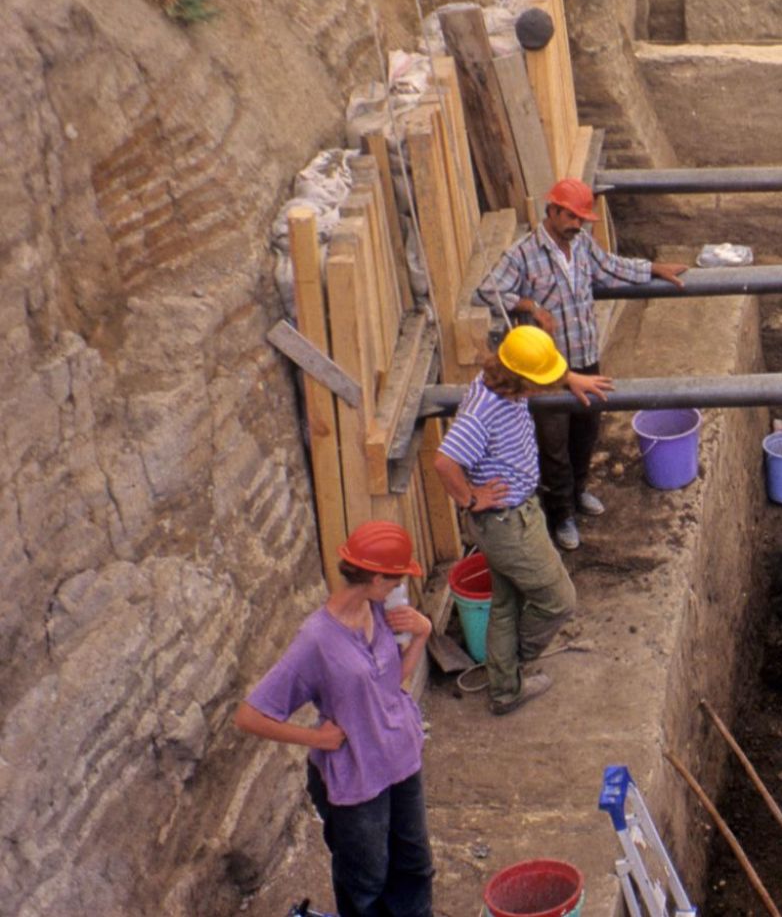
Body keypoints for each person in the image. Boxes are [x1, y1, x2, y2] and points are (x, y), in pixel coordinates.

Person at [474, 177, 688, 551]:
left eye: (581, 218)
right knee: (553, 444)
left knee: (586, 431)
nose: (577, 224)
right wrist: (529, 306)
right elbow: (488, 290)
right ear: (551, 211)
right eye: (570, 216)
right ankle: (562, 515)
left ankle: (579, 491)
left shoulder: (583, 246)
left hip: (587, 359)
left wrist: (654, 269)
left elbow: (613, 268)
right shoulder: (524, 253)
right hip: (548, 371)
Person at [233, 521, 435, 917]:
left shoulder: (381, 611)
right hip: (358, 777)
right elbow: (249, 716)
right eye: (396, 578)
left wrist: (423, 635)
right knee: (366, 879)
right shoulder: (315, 640)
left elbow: (390, 682)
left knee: (414, 865)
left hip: (401, 758)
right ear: (376, 578)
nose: (399, 587)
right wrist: (316, 738)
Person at [433, 325, 601, 715]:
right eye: (541, 382)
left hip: (511, 517)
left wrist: (569, 377)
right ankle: (508, 667)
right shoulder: (482, 412)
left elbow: (534, 367)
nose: (544, 389)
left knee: (507, 603)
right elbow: (444, 462)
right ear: (522, 381)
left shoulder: (501, 380)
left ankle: (506, 689)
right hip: (506, 523)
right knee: (559, 601)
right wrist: (470, 498)